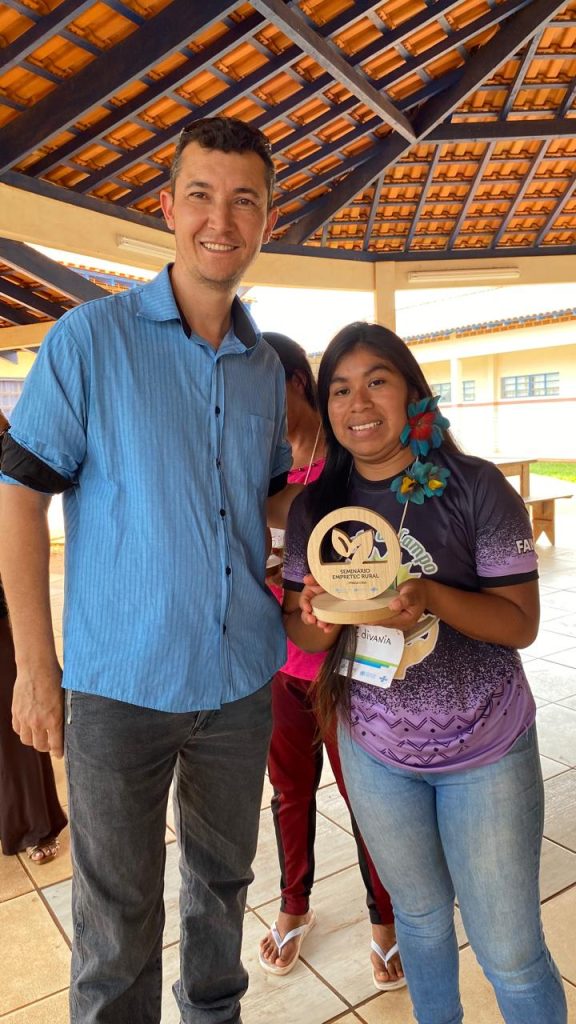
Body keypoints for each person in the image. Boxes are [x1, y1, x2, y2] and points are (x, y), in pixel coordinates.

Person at [0, 116, 292, 1024]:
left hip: (240, 682)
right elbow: (20, 498)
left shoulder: (264, 368)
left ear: (267, 219)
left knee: (222, 891)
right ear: (167, 207)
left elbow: (266, 504)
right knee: (116, 923)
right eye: (200, 195)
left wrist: (359, 532)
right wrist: (35, 669)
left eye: (244, 200)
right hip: (120, 689)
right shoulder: (90, 339)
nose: (221, 220)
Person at [280, 322, 567, 1024]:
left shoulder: (476, 487)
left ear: (413, 392)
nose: (357, 403)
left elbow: (520, 623)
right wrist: (319, 616)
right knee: (419, 919)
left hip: (486, 749)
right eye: (339, 389)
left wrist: (431, 594)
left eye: (376, 381)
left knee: (509, 950)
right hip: (376, 749)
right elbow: (299, 624)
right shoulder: (318, 507)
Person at [257, 333, 405, 990]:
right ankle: (294, 904)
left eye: (260, 387)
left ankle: (387, 919)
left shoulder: (348, 456)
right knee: (289, 791)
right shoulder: (261, 460)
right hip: (278, 660)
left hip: (348, 665)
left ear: (296, 381)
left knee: (366, 796)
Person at [0, 410, 67, 864]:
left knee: (15, 726)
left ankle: (35, 824)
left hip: (2, 607)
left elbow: (18, 512)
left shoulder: (8, 446)